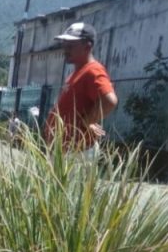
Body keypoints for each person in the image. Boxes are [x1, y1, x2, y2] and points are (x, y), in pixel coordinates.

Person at [44, 22, 118, 156]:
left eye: (71, 46)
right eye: (64, 45)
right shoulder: (78, 73)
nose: (66, 50)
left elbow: (109, 100)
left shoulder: (93, 70)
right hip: (65, 151)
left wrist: (88, 120)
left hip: (76, 153)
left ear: (87, 46)